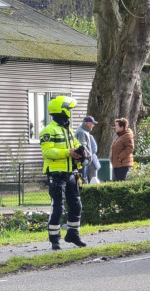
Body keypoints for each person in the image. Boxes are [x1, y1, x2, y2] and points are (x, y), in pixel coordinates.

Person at [40, 95, 86, 250]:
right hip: (56, 175)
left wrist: (81, 152)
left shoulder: (69, 130)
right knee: (58, 208)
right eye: (69, 109)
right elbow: (48, 152)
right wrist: (69, 152)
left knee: (76, 205)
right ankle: (54, 239)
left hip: (71, 174)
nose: (70, 112)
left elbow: (76, 145)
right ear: (62, 110)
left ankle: (73, 234)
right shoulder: (48, 130)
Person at [75, 116, 100, 183]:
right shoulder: (81, 132)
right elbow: (82, 146)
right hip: (82, 160)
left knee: (82, 178)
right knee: (81, 179)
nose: (93, 125)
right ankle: (82, 192)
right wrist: (88, 156)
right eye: (92, 123)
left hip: (83, 160)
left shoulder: (84, 131)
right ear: (87, 123)